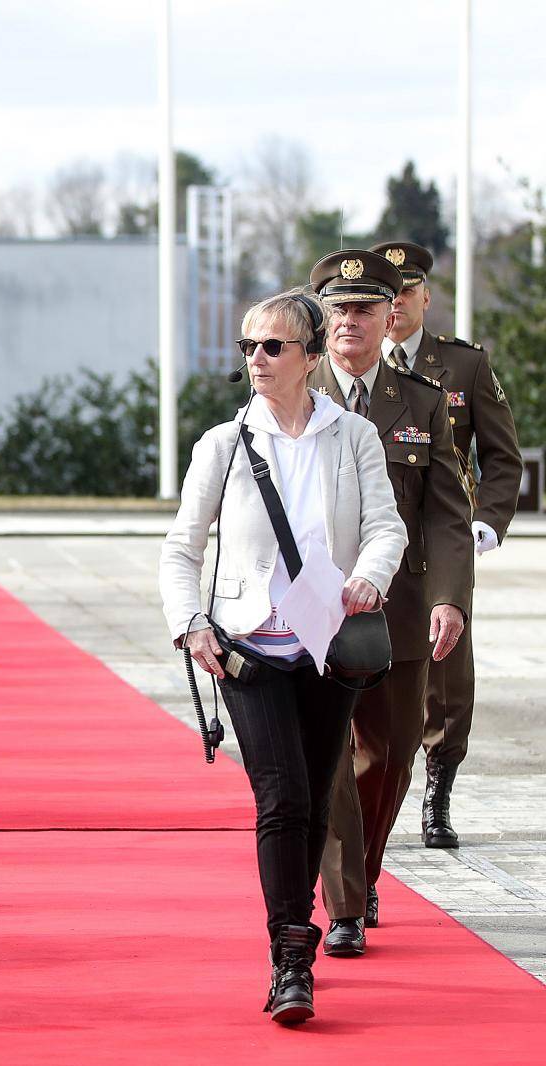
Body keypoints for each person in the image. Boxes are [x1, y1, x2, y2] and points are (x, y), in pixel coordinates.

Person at [160, 286, 406, 1025]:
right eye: (247, 347)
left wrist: (368, 576)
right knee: (284, 797)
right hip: (250, 649)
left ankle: (293, 938)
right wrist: (192, 624)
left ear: (309, 353)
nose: (256, 360)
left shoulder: (352, 435)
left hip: (330, 647)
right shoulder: (223, 444)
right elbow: (181, 548)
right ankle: (290, 957)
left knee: (315, 799)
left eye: (271, 346)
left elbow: (386, 528)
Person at [306, 249, 473, 957]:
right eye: (339, 309)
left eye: (365, 309)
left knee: (392, 752)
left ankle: (364, 871)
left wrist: (449, 600)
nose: (351, 320)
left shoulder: (422, 404)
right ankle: (344, 907)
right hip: (308, 607)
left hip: (398, 610)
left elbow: (445, 516)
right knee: (329, 760)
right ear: (324, 318)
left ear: (389, 316)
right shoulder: (290, 387)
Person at [370, 239, 523, 849]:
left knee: (445, 668)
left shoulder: (461, 366)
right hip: (367, 539)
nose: (399, 303)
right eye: (389, 294)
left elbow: (502, 459)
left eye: (408, 292)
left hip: (439, 537)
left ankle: (439, 787)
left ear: (426, 299)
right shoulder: (344, 364)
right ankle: (375, 790)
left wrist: (485, 522)